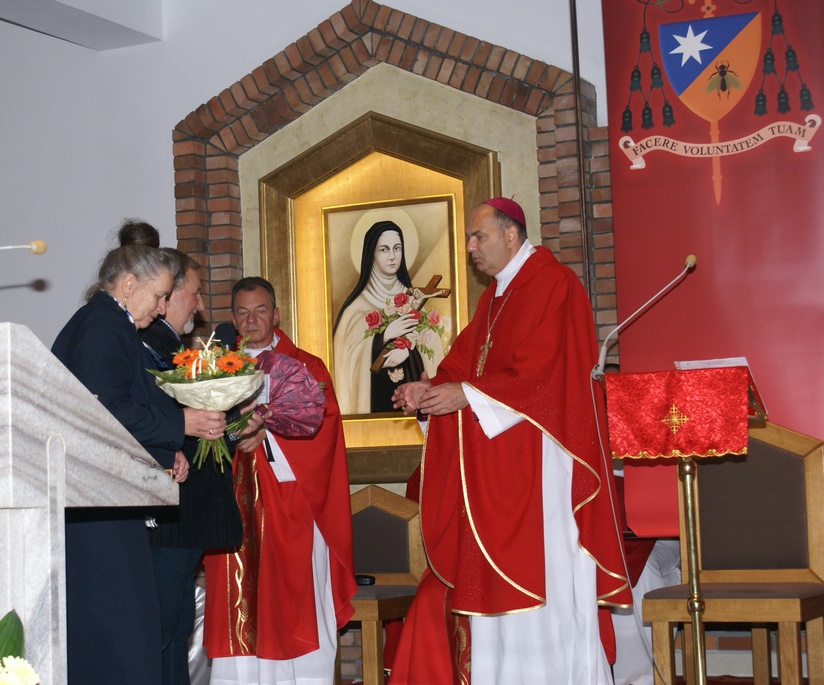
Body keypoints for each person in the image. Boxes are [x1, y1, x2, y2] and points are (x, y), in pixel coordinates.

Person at [389, 198, 632, 684]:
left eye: (479, 237)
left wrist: (466, 394)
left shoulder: (555, 285)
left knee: (544, 577)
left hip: (540, 467)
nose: (471, 247)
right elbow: (462, 365)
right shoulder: (494, 298)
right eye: (469, 238)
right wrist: (428, 390)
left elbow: (545, 374)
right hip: (496, 473)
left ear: (511, 235)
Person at [51, 232, 226, 684]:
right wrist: (180, 425)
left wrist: (162, 453)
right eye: (160, 295)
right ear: (129, 285)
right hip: (96, 510)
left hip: (107, 502)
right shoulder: (102, 325)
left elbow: (120, 408)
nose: (164, 308)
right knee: (119, 633)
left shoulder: (110, 324)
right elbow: (104, 410)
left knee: (131, 628)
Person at [203, 277, 358, 685]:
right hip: (232, 505)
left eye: (260, 311)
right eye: (242, 312)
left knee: (292, 598)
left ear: (276, 314)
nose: (252, 320)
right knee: (236, 597)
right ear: (232, 318)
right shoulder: (214, 370)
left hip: (291, 506)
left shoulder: (307, 367)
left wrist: (266, 434)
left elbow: (323, 430)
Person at [138, 248, 245, 685]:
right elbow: (157, 420)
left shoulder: (172, 347)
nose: (199, 304)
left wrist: (233, 426)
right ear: (168, 294)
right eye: (194, 293)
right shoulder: (151, 346)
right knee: (164, 628)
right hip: (169, 515)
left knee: (177, 624)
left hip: (183, 517)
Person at [333, 220, 432, 414]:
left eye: (397, 248)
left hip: (414, 406)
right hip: (374, 402)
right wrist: (385, 335)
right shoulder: (356, 309)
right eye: (384, 250)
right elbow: (346, 362)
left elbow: (433, 351)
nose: (393, 256)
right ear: (372, 254)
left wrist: (409, 352)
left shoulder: (415, 300)